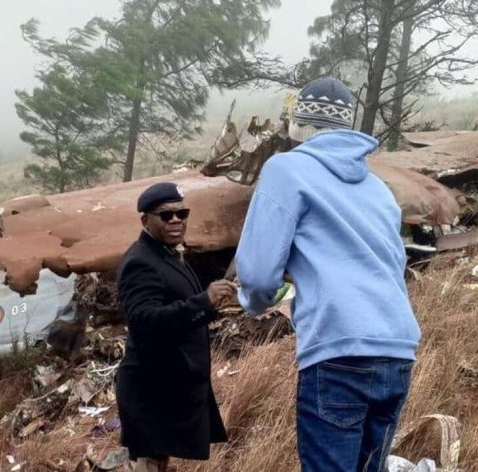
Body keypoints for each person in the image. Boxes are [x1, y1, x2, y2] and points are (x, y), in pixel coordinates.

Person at [234, 77, 421, 472]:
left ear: (300, 123)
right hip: (397, 349)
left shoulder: (286, 169)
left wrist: (253, 302)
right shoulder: (378, 189)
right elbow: (396, 263)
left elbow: (258, 275)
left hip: (339, 349)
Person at [116, 182, 235, 472]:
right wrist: (204, 302)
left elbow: (176, 309)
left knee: (158, 463)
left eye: (181, 214)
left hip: (167, 388)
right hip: (150, 392)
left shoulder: (166, 255)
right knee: (147, 464)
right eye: (165, 215)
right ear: (145, 220)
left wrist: (210, 306)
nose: (176, 221)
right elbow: (144, 321)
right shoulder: (141, 262)